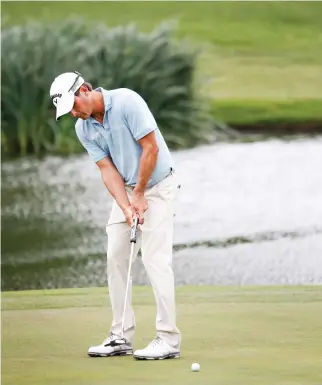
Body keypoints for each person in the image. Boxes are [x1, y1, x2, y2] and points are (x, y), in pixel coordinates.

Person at [49, 71, 181, 360]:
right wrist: (126, 205)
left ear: (84, 89)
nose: (73, 113)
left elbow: (151, 148)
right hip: (129, 191)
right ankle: (120, 335)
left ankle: (168, 338)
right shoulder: (83, 129)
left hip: (158, 187)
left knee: (155, 259)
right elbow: (107, 170)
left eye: (74, 105)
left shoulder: (126, 102)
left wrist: (140, 195)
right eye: (67, 111)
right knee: (115, 257)